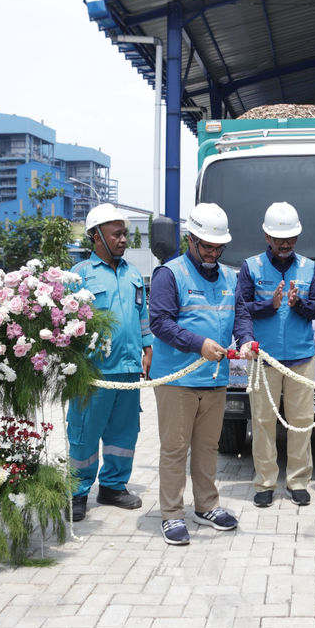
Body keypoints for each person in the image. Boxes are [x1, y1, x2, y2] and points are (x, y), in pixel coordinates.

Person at [149, 203, 239, 545]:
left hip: (214, 378)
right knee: (175, 449)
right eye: (207, 247)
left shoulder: (230, 277)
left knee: (207, 447)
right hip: (178, 380)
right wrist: (198, 344)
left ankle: (206, 506)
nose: (213, 253)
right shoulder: (169, 274)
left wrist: (246, 339)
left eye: (219, 248)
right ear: (191, 240)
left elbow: (241, 315)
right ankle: (172, 513)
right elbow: (160, 322)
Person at [235, 202, 315, 507]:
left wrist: (299, 304)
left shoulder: (309, 267)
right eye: (279, 240)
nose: (285, 245)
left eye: (290, 239)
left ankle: (298, 481)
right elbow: (240, 309)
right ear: (267, 237)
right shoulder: (251, 267)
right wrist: (269, 306)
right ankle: (265, 483)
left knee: (301, 421)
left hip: (301, 358)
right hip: (264, 359)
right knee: (262, 422)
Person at [66, 204, 153, 522]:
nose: (123, 239)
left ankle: (113, 486)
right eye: (116, 234)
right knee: (85, 432)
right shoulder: (79, 275)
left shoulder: (133, 274)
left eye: (124, 233)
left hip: (128, 370)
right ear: (96, 236)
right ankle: (77, 492)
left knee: (124, 433)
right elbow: (65, 323)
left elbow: (142, 313)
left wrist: (147, 347)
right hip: (93, 373)